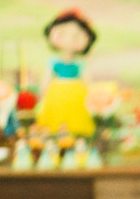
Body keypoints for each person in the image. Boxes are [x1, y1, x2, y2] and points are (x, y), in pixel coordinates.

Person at [35, 9, 97, 138]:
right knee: (56, 119)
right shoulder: (53, 62)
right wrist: (43, 92)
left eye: (76, 36)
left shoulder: (80, 63)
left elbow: (87, 79)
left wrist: (91, 95)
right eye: (62, 34)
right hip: (57, 92)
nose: (69, 40)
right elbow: (46, 79)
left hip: (76, 93)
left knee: (76, 118)